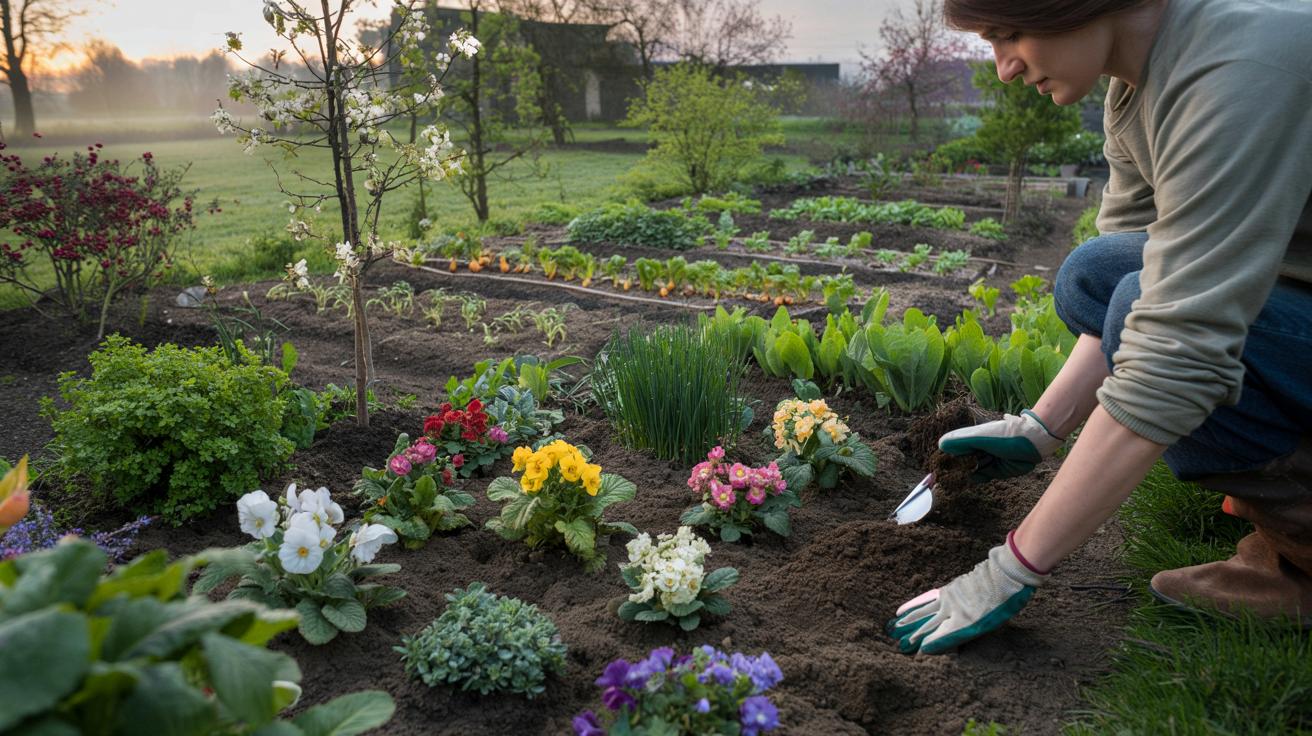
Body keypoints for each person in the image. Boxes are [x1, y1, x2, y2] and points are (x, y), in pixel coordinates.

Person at [888, 0, 1312, 655]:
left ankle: (1301, 558)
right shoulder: (1133, 89)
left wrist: (1013, 567)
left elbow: (1174, 352)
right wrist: (1040, 429)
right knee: (1096, 272)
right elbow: (1128, 296)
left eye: (1010, 35)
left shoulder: (1242, 69)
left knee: (1157, 325)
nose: (1003, 69)